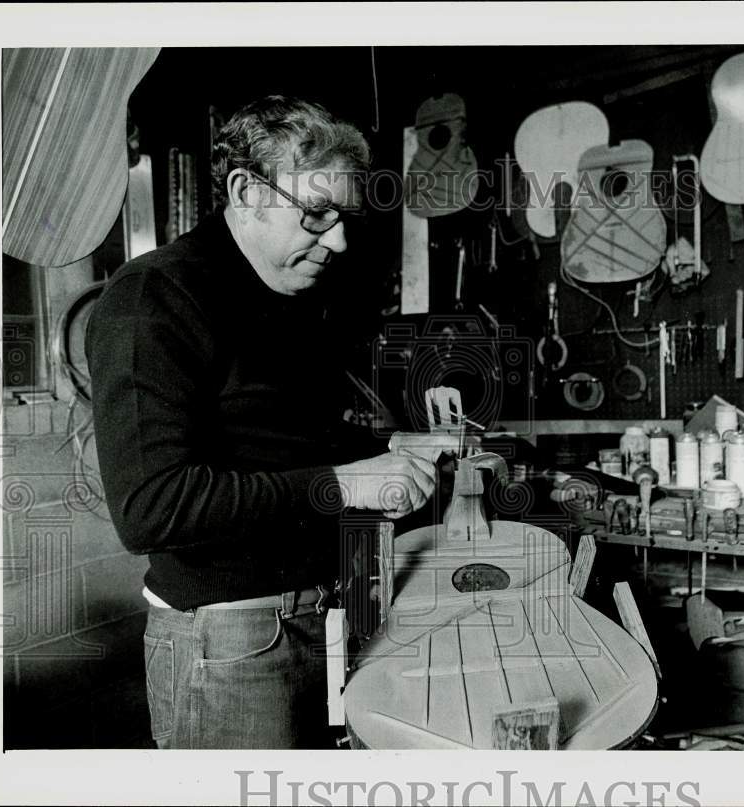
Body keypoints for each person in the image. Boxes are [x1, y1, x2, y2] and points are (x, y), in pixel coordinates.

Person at [86, 96, 439, 749]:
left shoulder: (292, 300)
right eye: (317, 214)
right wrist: (348, 482)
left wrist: (387, 445)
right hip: (230, 644)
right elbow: (150, 508)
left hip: (323, 617)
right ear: (247, 191)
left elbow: (282, 443)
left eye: (345, 218)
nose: (337, 240)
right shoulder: (153, 298)